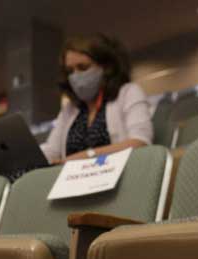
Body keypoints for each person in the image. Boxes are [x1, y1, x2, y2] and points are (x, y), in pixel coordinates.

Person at [41, 34, 153, 164]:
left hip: (118, 178)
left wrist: (85, 156)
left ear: (106, 67)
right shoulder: (71, 108)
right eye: (70, 71)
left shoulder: (128, 92)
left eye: (83, 67)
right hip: (73, 181)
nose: (75, 75)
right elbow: (51, 151)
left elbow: (140, 143)